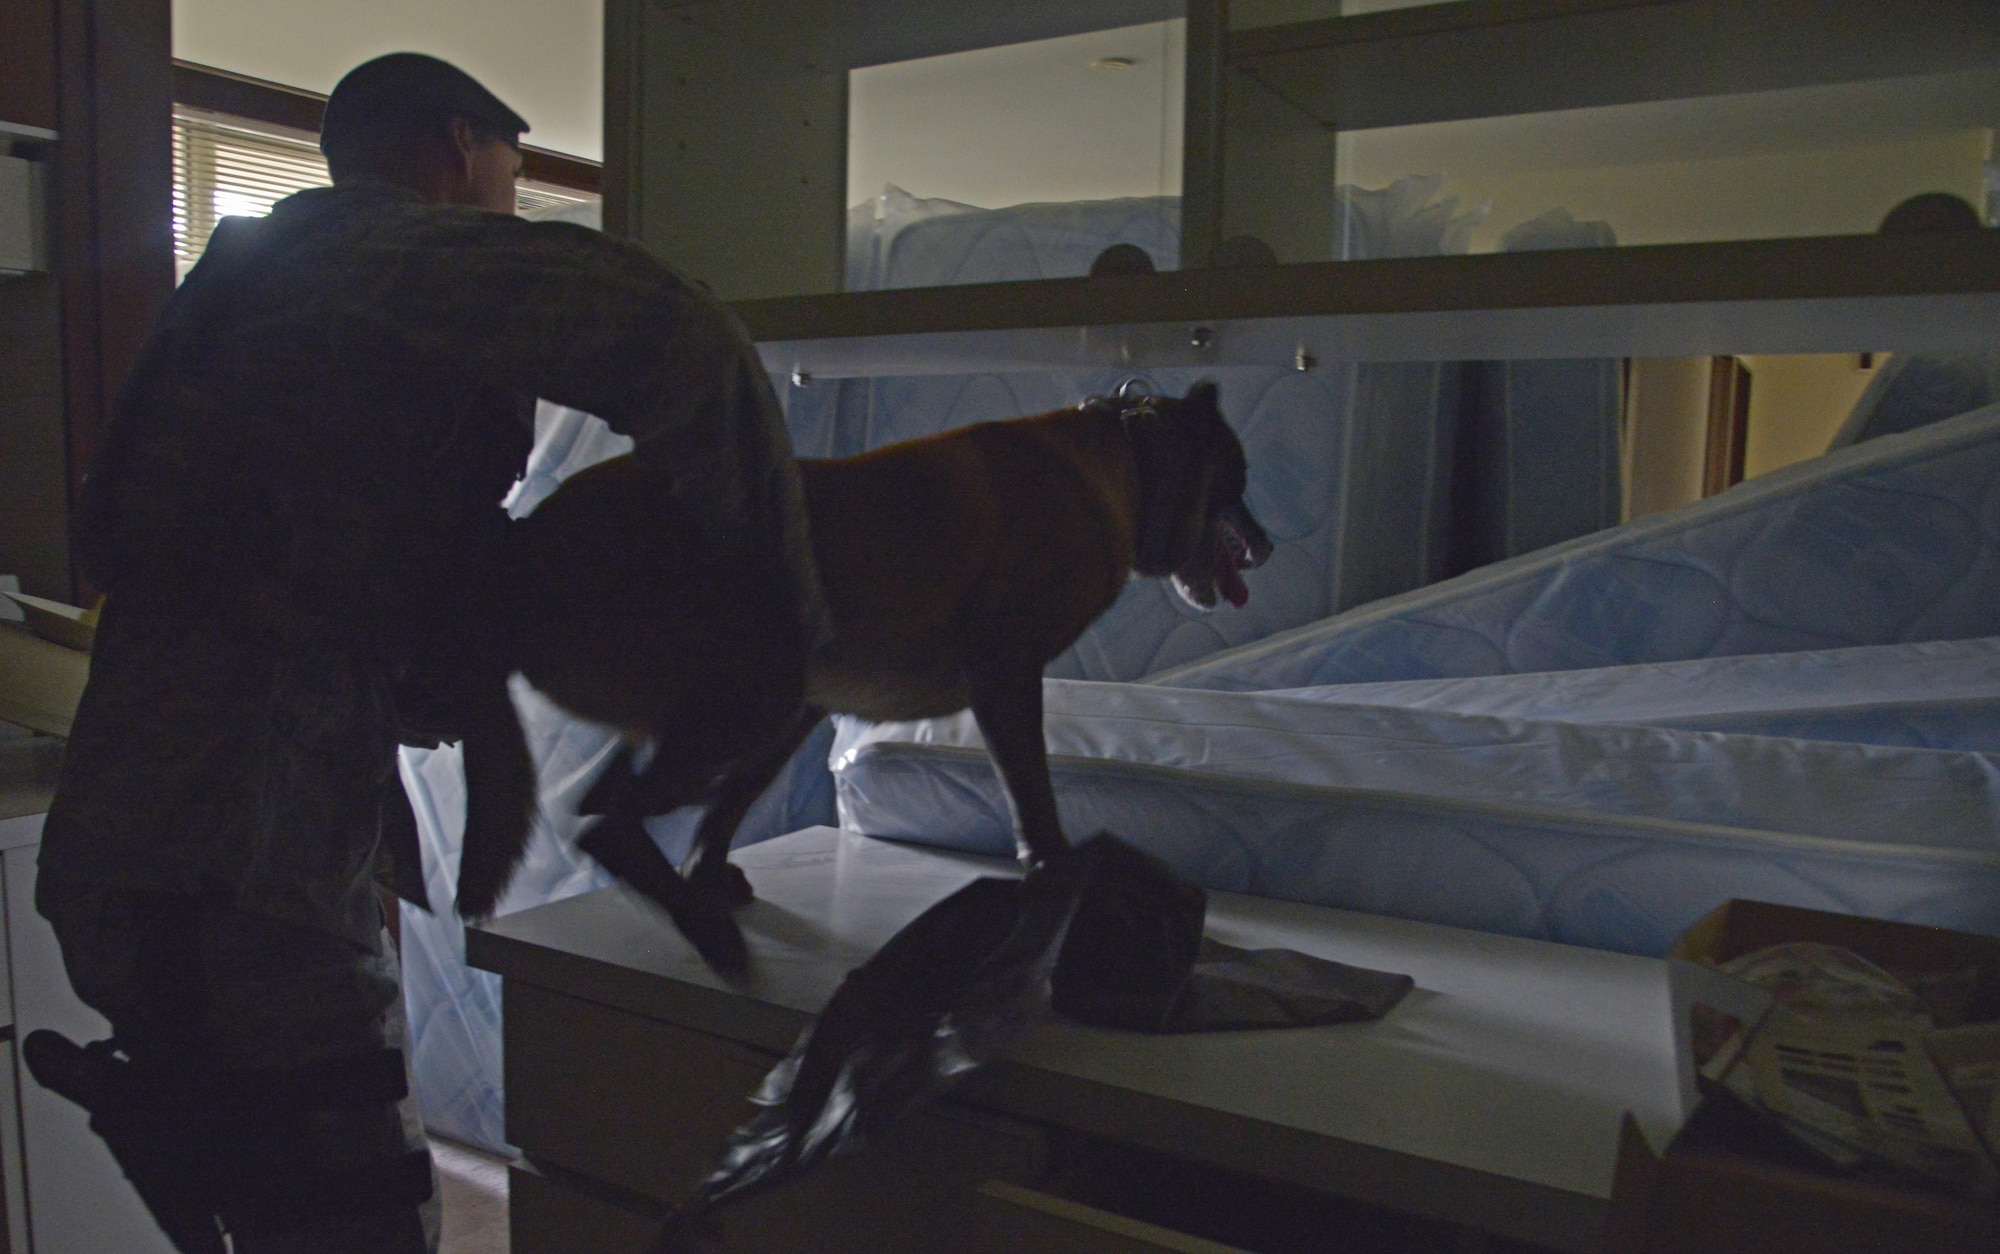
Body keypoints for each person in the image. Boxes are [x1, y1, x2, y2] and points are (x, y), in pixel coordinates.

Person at [27, 53, 824, 1253]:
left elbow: (235, 547)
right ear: (459, 148)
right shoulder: (379, 255)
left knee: (277, 1206)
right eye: (511, 172)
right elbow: (673, 327)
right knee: (359, 1223)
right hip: (238, 863)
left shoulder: (243, 284)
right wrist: (783, 617)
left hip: (144, 849)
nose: (510, 200)